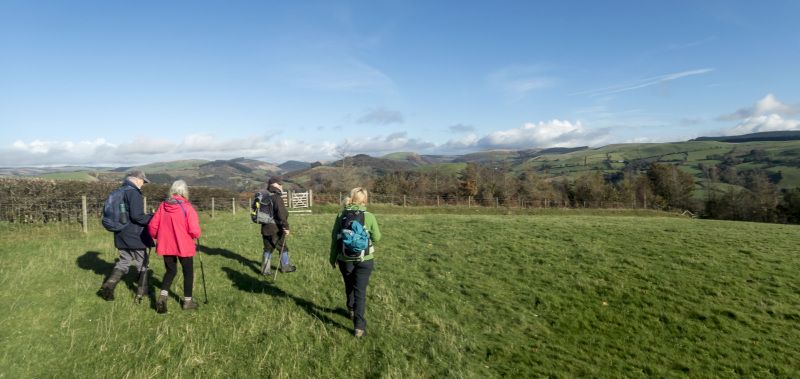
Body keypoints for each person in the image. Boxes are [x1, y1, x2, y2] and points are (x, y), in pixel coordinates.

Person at [329, 187, 382, 337]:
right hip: (365, 259)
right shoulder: (369, 216)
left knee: (349, 285)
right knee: (360, 291)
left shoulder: (341, 215)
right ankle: (359, 327)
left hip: (345, 259)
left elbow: (335, 239)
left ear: (351, 198)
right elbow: (377, 238)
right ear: (365, 200)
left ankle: (351, 309)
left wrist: (332, 258)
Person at [99, 170, 154, 300]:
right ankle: (142, 293)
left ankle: (108, 286)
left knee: (124, 261)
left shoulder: (119, 191)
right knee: (142, 262)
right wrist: (152, 218)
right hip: (135, 234)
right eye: (143, 181)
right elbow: (137, 217)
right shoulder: (133, 193)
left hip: (120, 233)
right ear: (135, 179)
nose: (143, 183)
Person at [148, 180, 202, 313]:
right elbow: (194, 230)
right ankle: (188, 302)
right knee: (188, 272)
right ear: (185, 191)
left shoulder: (163, 206)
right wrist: (196, 234)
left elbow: (152, 226)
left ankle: (162, 298)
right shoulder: (187, 207)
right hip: (184, 246)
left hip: (166, 245)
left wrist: (157, 236)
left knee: (171, 271)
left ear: (172, 190)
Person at [256, 176, 295, 276]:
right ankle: (286, 267)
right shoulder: (276, 197)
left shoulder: (264, 195)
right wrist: (286, 228)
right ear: (275, 185)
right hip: (275, 229)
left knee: (267, 249)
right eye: (280, 184)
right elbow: (282, 214)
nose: (282, 186)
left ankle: (265, 271)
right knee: (283, 247)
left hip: (265, 228)